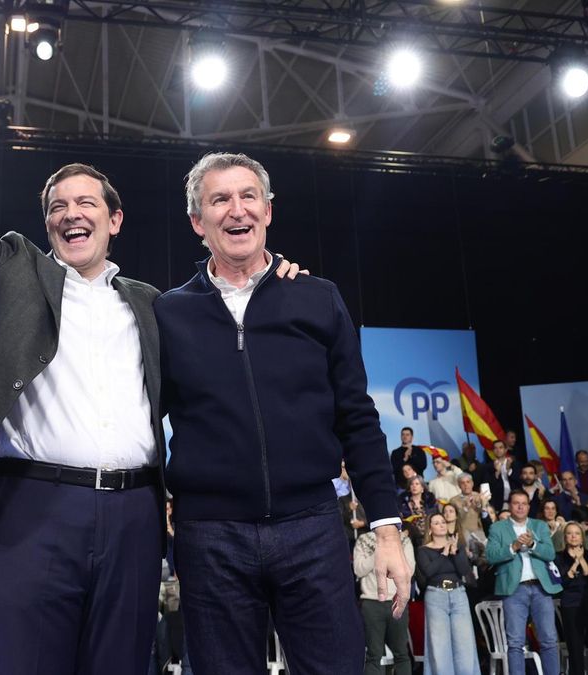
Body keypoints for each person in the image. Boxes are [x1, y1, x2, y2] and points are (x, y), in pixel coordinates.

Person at [0, 16, 196, 673]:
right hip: (31, 512)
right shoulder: (11, 270)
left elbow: (225, 320)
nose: (69, 212)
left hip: (137, 515)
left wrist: (274, 273)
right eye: (56, 205)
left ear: (113, 219)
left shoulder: (152, 304)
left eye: (86, 202)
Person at [156, 151, 407, 674]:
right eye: (219, 199)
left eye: (248, 196)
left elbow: (358, 418)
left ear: (268, 211)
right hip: (210, 537)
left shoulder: (316, 297)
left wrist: (387, 531)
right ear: (197, 222)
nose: (236, 209)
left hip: (312, 529)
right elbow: (140, 421)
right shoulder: (169, 313)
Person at [485, 490, 561, 675]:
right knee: (515, 642)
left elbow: (550, 553)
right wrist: (514, 547)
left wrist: (533, 544)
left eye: (524, 503)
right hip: (514, 589)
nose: (520, 506)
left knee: (549, 640)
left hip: (540, 588)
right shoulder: (498, 528)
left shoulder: (539, 526)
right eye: (516, 503)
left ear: (529, 506)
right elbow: (490, 556)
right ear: (510, 506)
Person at [416, 513, 479, 675]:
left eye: (443, 522)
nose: (441, 525)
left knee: (464, 645)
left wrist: (455, 552)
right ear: (430, 529)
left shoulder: (456, 547)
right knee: (440, 646)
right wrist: (443, 553)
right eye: (436, 523)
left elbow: (464, 571)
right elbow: (429, 572)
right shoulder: (423, 550)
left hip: (458, 594)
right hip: (436, 595)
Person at [355, 526, 415, 675]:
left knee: (401, 653)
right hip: (371, 603)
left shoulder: (403, 540)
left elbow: (410, 569)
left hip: (397, 601)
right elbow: (359, 569)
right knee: (373, 655)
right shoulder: (363, 539)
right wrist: (379, 552)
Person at [555, 521, 588, 675]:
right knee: (575, 647)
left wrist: (582, 559)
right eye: (570, 533)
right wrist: (574, 563)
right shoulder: (559, 557)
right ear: (565, 537)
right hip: (571, 605)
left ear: (582, 537)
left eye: (577, 533)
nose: (573, 536)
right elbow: (563, 581)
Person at [484, 439, 522, 512]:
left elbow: (520, 481)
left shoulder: (515, 464)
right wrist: (497, 473)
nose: (498, 450)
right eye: (495, 448)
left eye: (501, 447)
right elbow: (488, 486)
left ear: (506, 449)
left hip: (515, 502)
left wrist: (509, 470)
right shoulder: (488, 467)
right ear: (493, 451)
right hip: (498, 504)